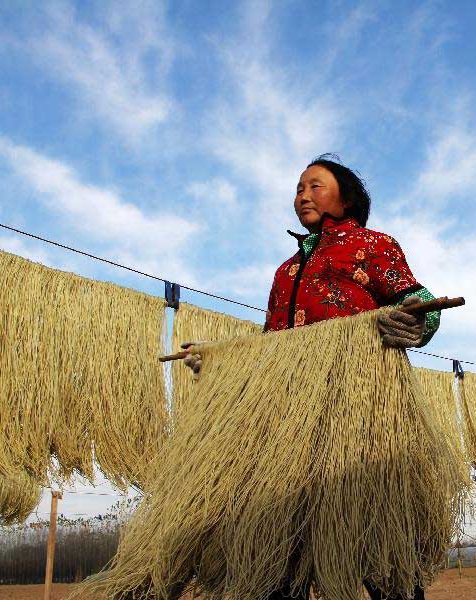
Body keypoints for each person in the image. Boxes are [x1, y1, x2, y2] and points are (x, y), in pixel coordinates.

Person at [183, 154, 439, 600]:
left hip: (357, 406)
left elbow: (417, 298)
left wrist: (414, 324)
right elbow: (268, 347)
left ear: (347, 199)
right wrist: (218, 363)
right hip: (290, 418)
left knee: (376, 536)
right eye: (299, 187)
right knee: (282, 541)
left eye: (315, 185)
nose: (302, 194)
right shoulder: (284, 272)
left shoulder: (371, 245)